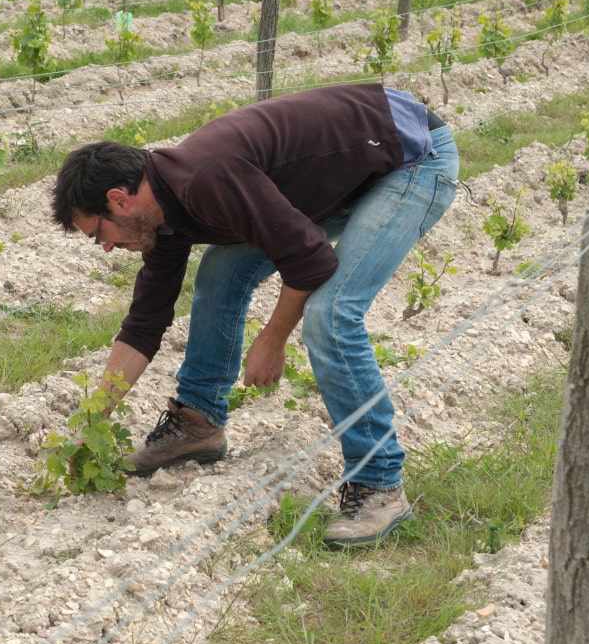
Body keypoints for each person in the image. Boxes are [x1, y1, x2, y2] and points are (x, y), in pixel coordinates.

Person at [50, 82, 459, 549]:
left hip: (410, 156)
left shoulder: (205, 179)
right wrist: (93, 420)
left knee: (331, 314)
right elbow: (146, 320)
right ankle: (198, 423)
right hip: (349, 170)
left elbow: (310, 261)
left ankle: (380, 483)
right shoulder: (164, 212)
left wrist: (272, 338)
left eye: (97, 233)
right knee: (220, 274)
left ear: (120, 200)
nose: (105, 246)